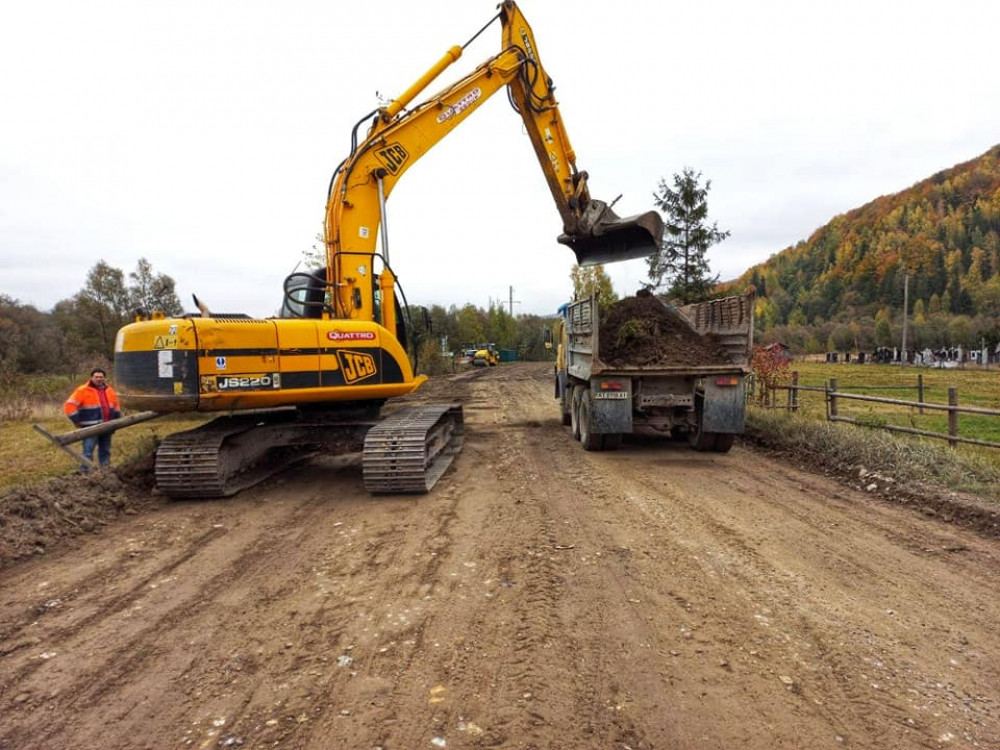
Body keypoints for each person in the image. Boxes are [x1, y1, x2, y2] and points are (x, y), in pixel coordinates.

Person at [64, 367, 122, 471]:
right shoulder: (82, 390)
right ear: (91, 377)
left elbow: (116, 406)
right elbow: (69, 405)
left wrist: (116, 421)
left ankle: (105, 472)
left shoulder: (109, 390)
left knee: (105, 450)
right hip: (90, 427)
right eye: (96, 377)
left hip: (107, 426)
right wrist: (77, 421)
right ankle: (86, 475)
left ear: (104, 378)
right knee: (88, 451)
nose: (99, 379)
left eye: (101, 377)